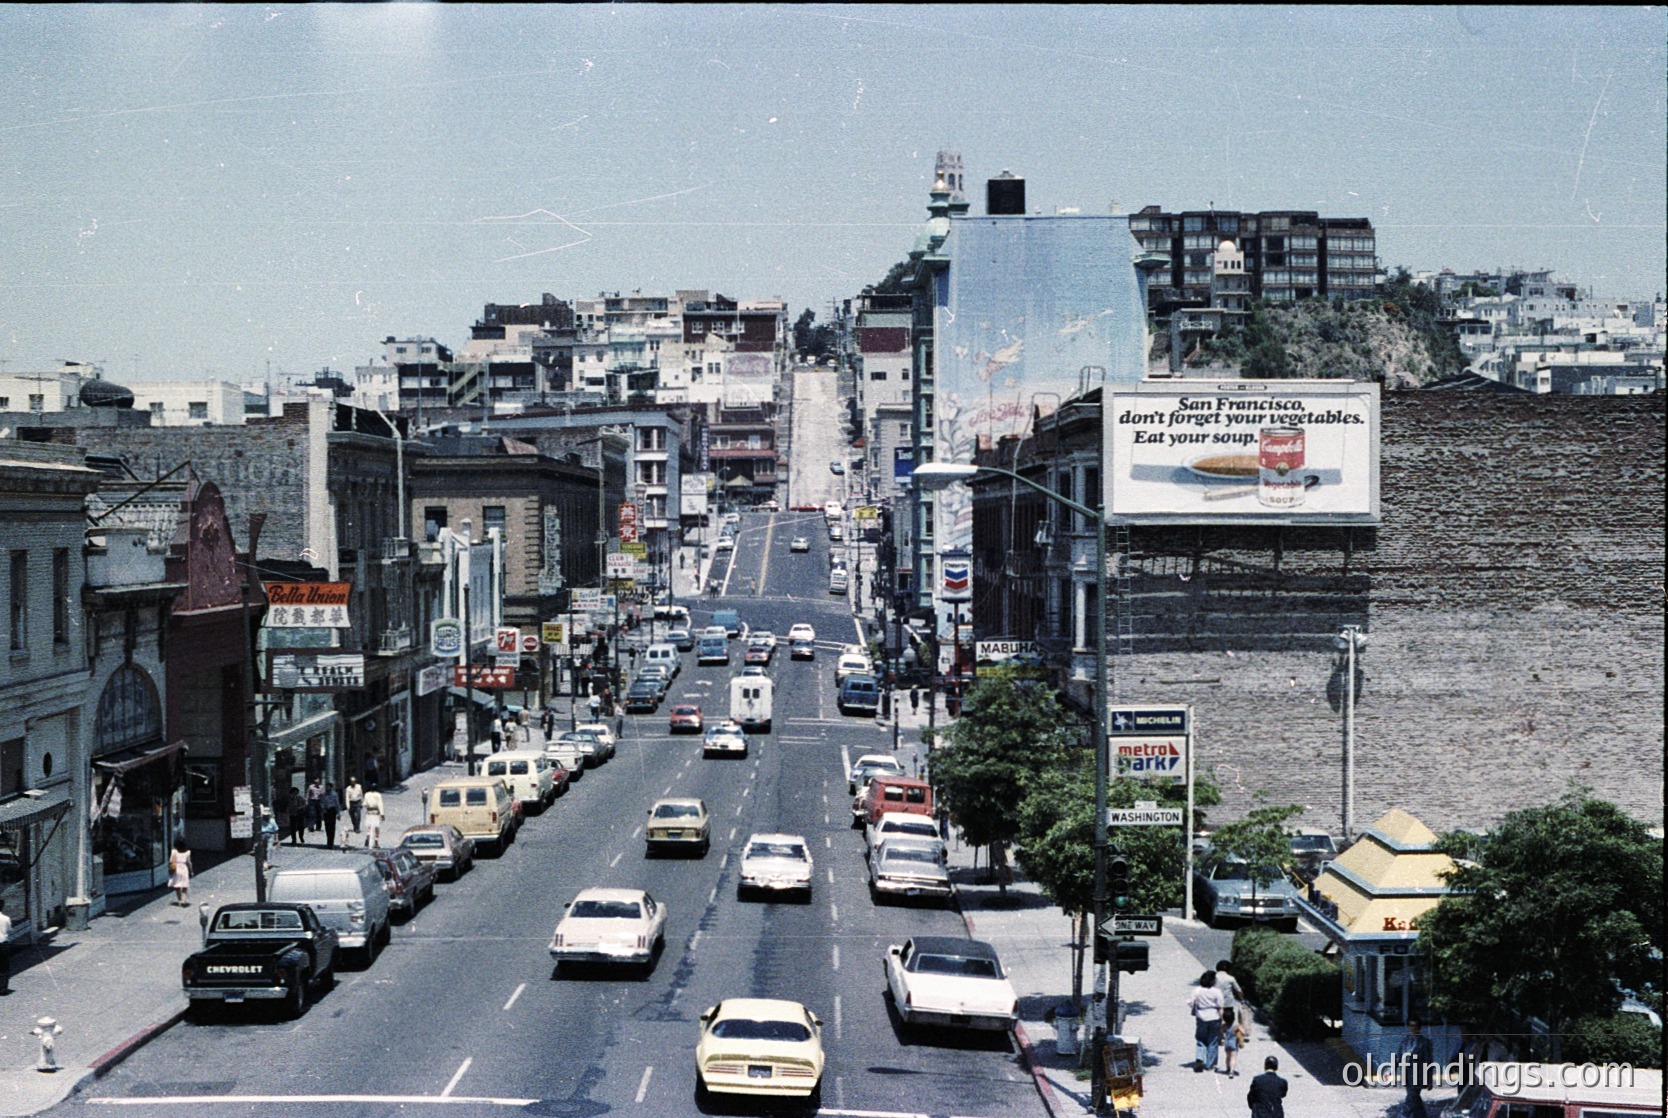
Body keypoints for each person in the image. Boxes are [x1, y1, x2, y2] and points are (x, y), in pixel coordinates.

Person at [1187, 969, 1225, 1073]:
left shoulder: (1197, 990)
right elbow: (1220, 1007)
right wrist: (1222, 1021)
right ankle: (1210, 1064)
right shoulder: (1217, 992)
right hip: (1214, 1017)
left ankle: (1200, 1058)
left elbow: (1190, 1002)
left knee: (1201, 1039)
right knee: (1213, 1041)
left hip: (1201, 1016)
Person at [1396, 1018, 1436, 1118]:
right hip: (1407, 1074)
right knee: (1414, 1098)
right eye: (1410, 1025)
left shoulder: (1425, 1042)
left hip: (1419, 1075)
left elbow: (1428, 1061)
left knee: (1412, 1097)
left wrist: (1429, 1080)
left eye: (1414, 1026)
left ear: (1419, 1028)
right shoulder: (1404, 1042)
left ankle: (1403, 1116)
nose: (1412, 1028)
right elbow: (1398, 1057)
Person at [1217, 959, 1247, 1075]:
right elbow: (1239, 990)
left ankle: (1220, 1037)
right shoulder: (1231, 978)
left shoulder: (1214, 977)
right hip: (1228, 1003)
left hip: (1217, 1002)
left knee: (1220, 1021)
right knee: (1229, 1021)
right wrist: (1242, 999)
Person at [167, 840, 193, 906]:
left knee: (177, 886)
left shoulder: (174, 852)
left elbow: (171, 861)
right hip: (184, 869)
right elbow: (189, 863)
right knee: (185, 886)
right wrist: (191, 871)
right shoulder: (187, 853)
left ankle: (179, 900)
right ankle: (184, 899)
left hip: (177, 869)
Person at [320, 783, 341, 849]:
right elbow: (321, 802)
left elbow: (337, 804)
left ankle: (330, 843)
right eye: (326, 787)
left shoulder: (334, 794)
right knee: (327, 827)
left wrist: (338, 813)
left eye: (328, 787)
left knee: (332, 827)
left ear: (331, 788)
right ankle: (328, 840)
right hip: (326, 811)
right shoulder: (324, 795)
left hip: (332, 811)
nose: (327, 788)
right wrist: (323, 808)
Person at [0, 898, 13, 994]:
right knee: (4, 966)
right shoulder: (6, 918)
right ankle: (2, 988)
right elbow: (9, 930)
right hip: (3, 943)